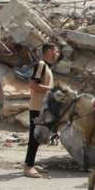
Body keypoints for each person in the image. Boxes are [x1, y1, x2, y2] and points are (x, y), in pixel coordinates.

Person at [24, 43, 60, 178]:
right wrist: (52, 90)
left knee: (38, 136)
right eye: (56, 51)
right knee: (34, 137)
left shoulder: (47, 68)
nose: (57, 54)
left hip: (42, 108)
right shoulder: (41, 65)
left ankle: (31, 163)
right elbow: (33, 85)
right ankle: (28, 166)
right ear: (50, 51)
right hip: (37, 108)